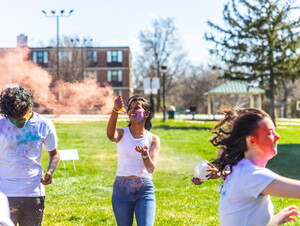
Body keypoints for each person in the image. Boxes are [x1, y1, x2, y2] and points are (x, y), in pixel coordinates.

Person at [210, 108, 300, 225]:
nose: (278, 137)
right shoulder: (251, 175)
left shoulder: (240, 168)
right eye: (269, 133)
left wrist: (275, 220)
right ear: (252, 141)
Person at [0, 86, 60, 226]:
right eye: (12, 119)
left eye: (20, 119)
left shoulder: (44, 125)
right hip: (4, 193)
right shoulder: (1, 125)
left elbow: (54, 154)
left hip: (33, 193)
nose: (16, 123)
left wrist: (50, 171)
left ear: (29, 108)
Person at [106, 95, 160, 226]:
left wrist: (145, 155)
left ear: (146, 114)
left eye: (137, 108)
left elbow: (151, 169)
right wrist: (115, 110)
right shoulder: (122, 133)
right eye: (130, 108)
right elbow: (110, 136)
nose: (132, 110)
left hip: (144, 189)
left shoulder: (153, 139)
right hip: (122, 188)